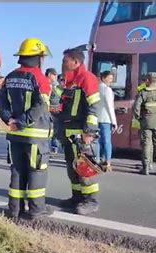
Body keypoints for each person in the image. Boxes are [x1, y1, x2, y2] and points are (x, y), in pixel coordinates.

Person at [0, 38, 52, 220]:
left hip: (15, 135)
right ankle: (36, 210)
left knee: (17, 171)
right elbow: (41, 106)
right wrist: (22, 121)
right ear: (38, 58)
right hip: (35, 136)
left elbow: (0, 100)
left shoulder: (10, 77)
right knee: (37, 172)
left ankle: (14, 210)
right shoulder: (40, 79)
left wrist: (9, 119)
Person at [58, 48, 101, 215]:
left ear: (75, 62)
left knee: (85, 168)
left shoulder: (86, 78)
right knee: (72, 168)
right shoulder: (70, 81)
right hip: (69, 133)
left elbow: (94, 106)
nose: (63, 64)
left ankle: (91, 200)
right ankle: (77, 197)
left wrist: (89, 132)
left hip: (81, 134)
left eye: (65, 61)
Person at [97, 71, 117, 172]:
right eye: (109, 78)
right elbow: (110, 107)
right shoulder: (107, 90)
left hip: (96, 118)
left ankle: (96, 161)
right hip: (106, 119)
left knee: (97, 141)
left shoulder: (96, 88)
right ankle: (107, 162)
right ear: (103, 78)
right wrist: (114, 121)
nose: (111, 81)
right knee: (107, 142)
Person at [45, 68, 62, 155]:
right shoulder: (44, 84)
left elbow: (61, 96)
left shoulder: (57, 86)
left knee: (56, 130)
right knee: (46, 130)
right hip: (46, 111)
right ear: (49, 75)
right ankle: (45, 148)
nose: (56, 77)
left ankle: (54, 147)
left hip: (56, 112)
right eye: (54, 75)